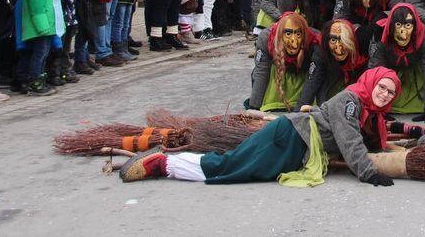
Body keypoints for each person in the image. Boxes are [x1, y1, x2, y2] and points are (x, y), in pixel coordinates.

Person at [120, 66, 403, 187]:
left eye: (391, 93)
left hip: (295, 142)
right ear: (371, 81)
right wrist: (368, 173)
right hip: (291, 136)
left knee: (236, 166)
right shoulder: (352, 101)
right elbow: (349, 139)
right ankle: (161, 164)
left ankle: (167, 163)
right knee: (233, 167)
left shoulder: (367, 110)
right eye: (382, 87)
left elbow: (368, 140)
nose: (385, 94)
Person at [15, 0, 66, 96]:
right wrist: (43, 26)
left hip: (47, 26)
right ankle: (35, 81)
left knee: (42, 53)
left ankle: (34, 79)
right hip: (40, 26)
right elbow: (36, 6)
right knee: (39, 53)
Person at [368, 4, 425, 118]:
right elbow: (374, 70)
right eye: (398, 25)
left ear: (415, 27)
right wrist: (376, 108)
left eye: (408, 25)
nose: (402, 32)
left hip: (416, 73)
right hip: (389, 72)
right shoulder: (380, 36)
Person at [249, 12, 317, 112]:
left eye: (298, 34)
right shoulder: (266, 38)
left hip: (306, 81)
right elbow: (261, 72)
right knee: (255, 72)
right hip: (277, 80)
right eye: (288, 34)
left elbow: (316, 77)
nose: (293, 40)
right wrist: (254, 107)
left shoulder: (314, 40)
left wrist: (299, 110)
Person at [298, 19, 369, 107]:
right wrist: (298, 114)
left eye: (343, 41)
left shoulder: (363, 52)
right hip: (329, 88)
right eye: (333, 40)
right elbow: (312, 80)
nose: (339, 48)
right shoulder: (321, 51)